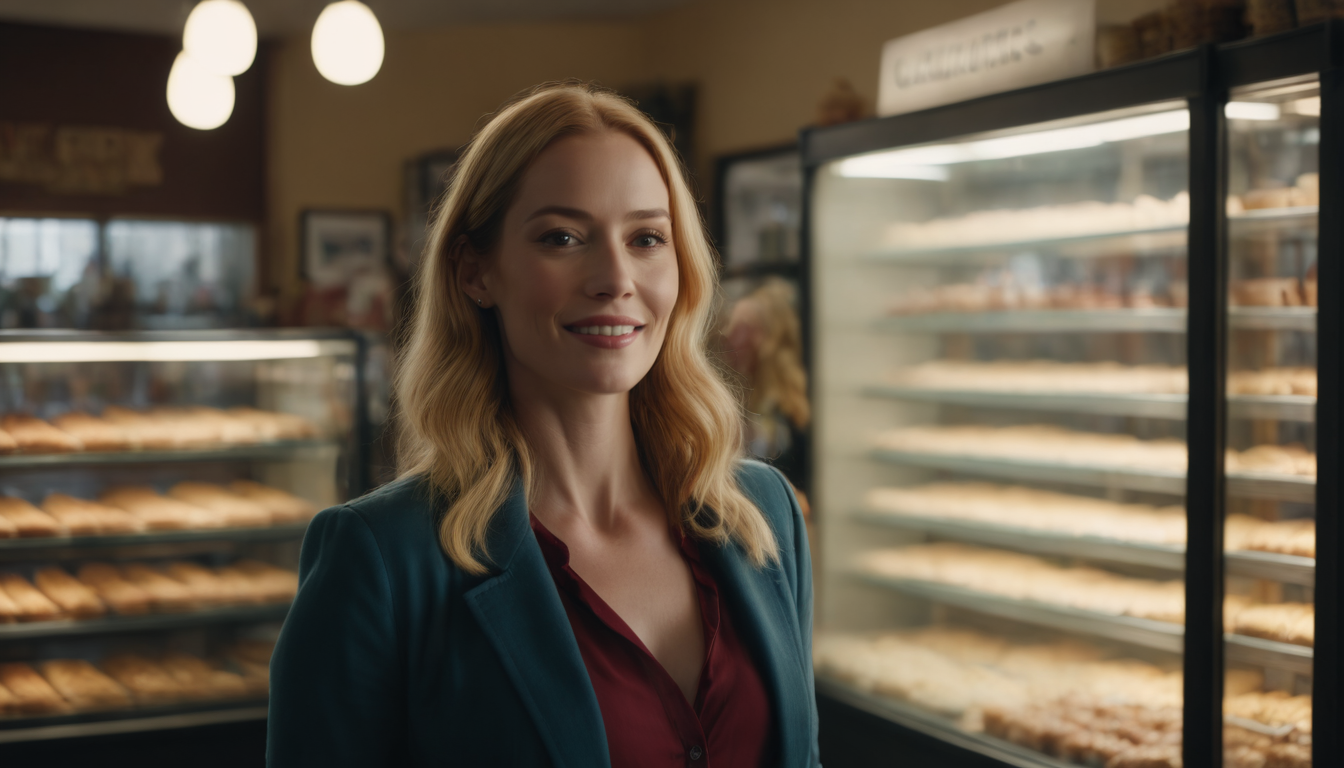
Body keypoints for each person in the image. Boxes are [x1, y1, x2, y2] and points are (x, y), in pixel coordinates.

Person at [267, 82, 819, 768]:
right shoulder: (381, 561)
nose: (615, 277)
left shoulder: (764, 515)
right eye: (563, 237)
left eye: (647, 237)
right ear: (476, 272)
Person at [721, 277, 811, 495]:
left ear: (768, 338)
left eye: (743, 328)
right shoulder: (733, 396)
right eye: (730, 325)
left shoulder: (792, 408)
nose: (729, 336)